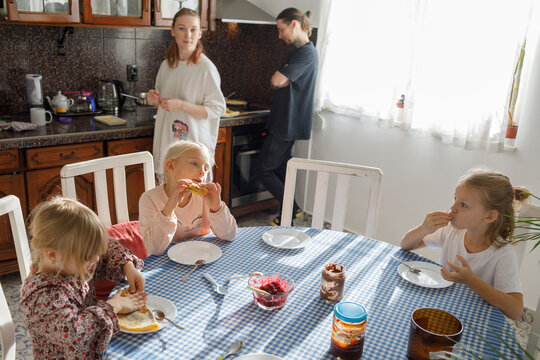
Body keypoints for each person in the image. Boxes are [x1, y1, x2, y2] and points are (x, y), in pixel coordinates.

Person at [20, 197, 147, 359]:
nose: (95, 259)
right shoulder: (41, 296)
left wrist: (127, 266)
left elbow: (107, 248)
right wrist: (112, 307)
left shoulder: (70, 262)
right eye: (89, 256)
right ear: (52, 255)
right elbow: (75, 333)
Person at [401, 169, 528, 320]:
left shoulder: (503, 255)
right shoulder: (452, 231)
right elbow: (406, 245)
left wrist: (471, 280)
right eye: (455, 199)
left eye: (463, 205)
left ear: (489, 216)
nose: (452, 208)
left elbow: (515, 311)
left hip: (474, 321)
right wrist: (424, 229)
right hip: (442, 308)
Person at [147, 7, 226, 183]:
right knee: (168, 203)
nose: (187, 35)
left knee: (194, 204)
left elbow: (217, 109)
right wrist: (153, 99)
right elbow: (161, 101)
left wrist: (181, 105)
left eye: (193, 30)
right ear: (173, 31)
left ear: (200, 34)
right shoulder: (166, 66)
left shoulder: (206, 68)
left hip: (194, 152)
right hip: (168, 147)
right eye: (182, 28)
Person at [257, 7, 319, 226]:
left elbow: (276, 80)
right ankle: (293, 211)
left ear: (294, 24)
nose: (279, 35)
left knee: (263, 170)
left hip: (288, 122)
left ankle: (291, 210)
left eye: (281, 29)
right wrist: (283, 77)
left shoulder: (306, 53)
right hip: (284, 119)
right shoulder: (297, 51)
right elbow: (280, 80)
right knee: (282, 168)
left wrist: (282, 76)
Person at [139, 140, 237, 255]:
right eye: (195, 163)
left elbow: (229, 235)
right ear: (171, 166)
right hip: (167, 260)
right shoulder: (149, 199)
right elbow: (153, 249)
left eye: (206, 168)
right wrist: (169, 208)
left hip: (202, 254)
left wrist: (217, 207)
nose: (202, 172)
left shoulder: (204, 197)